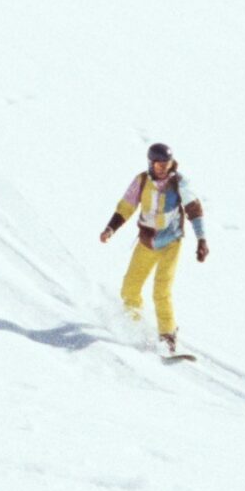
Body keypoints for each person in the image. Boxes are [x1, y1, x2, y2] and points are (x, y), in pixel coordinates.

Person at [99, 142, 208, 351]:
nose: (162, 168)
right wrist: (110, 229)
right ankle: (136, 326)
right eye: (158, 164)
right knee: (129, 288)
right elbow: (126, 206)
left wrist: (202, 239)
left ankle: (168, 334)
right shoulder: (141, 181)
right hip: (147, 243)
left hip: (170, 244)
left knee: (161, 290)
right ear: (151, 162)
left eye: (165, 164)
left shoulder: (179, 183)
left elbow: (194, 209)